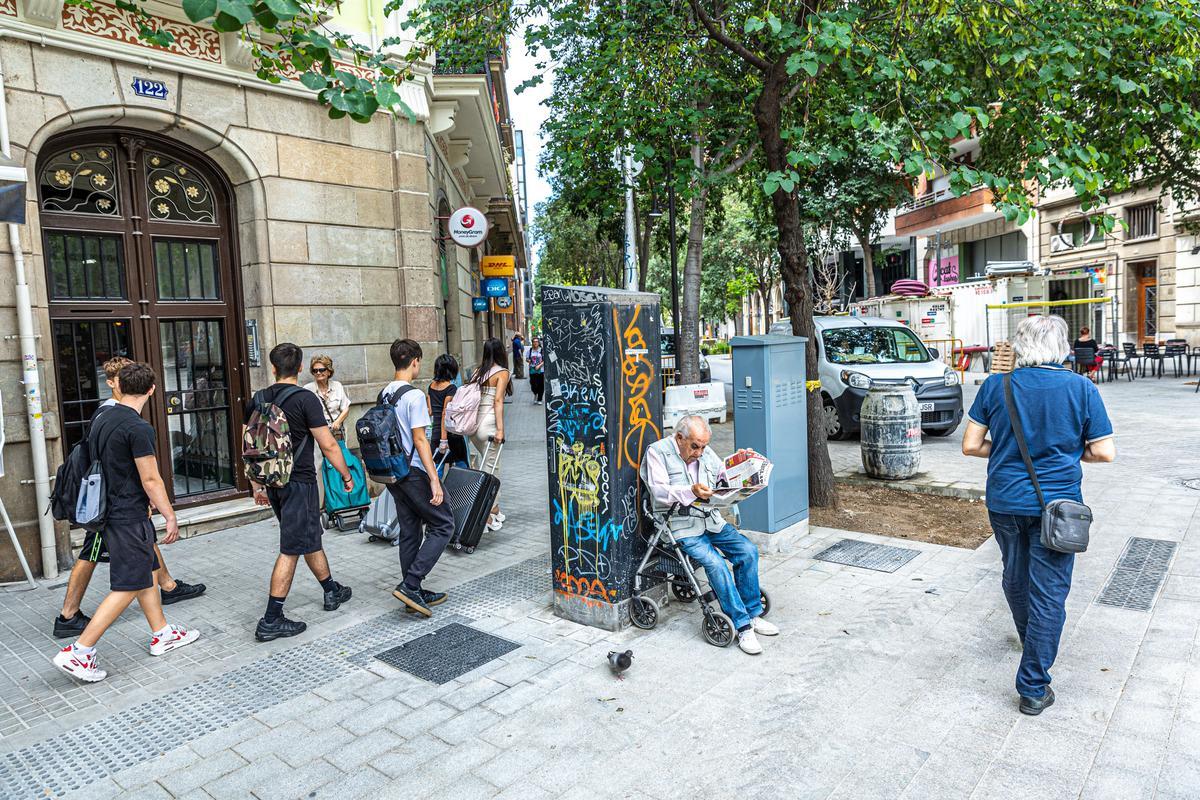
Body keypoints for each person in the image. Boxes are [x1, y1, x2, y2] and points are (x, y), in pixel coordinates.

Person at [962, 315, 1115, 716]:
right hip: (1058, 508)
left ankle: (1031, 638)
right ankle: (1032, 686)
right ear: (1062, 346)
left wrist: (1008, 450)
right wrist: (1065, 454)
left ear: (1020, 346)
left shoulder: (997, 385)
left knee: (1015, 574)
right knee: (1049, 592)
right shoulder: (1082, 388)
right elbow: (1104, 452)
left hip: (1005, 502)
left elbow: (971, 446)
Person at [51, 363, 200, 683]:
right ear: (151, 390)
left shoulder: (104, 416)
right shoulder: (138, 428)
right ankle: (80, 651)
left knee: (144, 571)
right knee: (128, 584)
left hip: (110, 510)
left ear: (118, 385)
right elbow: (150, 478)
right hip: (128, 513)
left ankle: (162, 632)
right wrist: (170, 515)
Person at [642, 415, 779, 656]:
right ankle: (743, 625)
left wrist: (743, 466)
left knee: (747, 551)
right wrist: (690, 490)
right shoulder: (657, 452)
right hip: (681, 525)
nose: (700, 451)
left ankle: (753, 613)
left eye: (704, 446)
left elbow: (722, 474)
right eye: (695, 446)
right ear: (679, 438)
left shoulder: (703, 450)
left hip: (710, 520)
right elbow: (659, 491)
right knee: (716, 565)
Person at [245, 343, 354, 643]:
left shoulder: (258, 398)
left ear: (273, 367)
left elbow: (250, 444)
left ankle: (331, 590)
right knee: (291, 547)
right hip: (299, 481)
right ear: (300, 367)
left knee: (307, 536)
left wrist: (257, 485)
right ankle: (271, 618)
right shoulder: (305, 399)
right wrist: (346, 475)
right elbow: (328, 443)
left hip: (273, 482)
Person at [381, 339, 453, 617]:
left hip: (392, 473)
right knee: (444, 524)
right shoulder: (413, 396)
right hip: (412, 471)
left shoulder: (385, 393)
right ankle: (411, 584)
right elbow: (421, 440)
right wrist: (434, 479)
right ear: (415, 361)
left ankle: (414, 591)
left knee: (411, 530)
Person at [469, 338, 510, 532]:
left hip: (474, 428)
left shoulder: (478, 372)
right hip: (490, 425)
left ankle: (495, 509)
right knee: (491, 473)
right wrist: (500, 429)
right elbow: (498, 401)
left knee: (486, 468)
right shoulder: (502, 372)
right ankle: (485, 518)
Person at [302, 354, 351, 506]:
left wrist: (338, 421)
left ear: (329, 371)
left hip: (336, 432)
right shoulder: (308, 389)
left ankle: (341, 499)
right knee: (317, 467)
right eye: (314, 370)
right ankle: (321, 503)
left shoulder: (337, 386)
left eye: (321, 370)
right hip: (317, 433)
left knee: (339, 464)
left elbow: (346, 408)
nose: (318, 373)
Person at [428, 354, 470, 471]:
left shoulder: (430, 387)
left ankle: (437, 489)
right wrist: (444, 440)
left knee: (437, 469)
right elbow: (445, 414)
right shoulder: (451, 388)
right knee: (462, 467)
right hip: (450, 435)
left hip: (435, 434)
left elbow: (430, 411)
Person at [527, 337, 545, 404]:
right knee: (533, 384)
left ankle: (539, 399)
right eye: (534, 341)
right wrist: (529, 361)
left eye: (537, 341)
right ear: (532, 343)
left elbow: (544, 360)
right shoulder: (530, 350)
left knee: (540, 385)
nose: (535, 343)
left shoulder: (542, 350)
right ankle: (535, 394)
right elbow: (527, 358)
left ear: (538, 343)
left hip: (541, 370)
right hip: (532, 370)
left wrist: (539, 365)